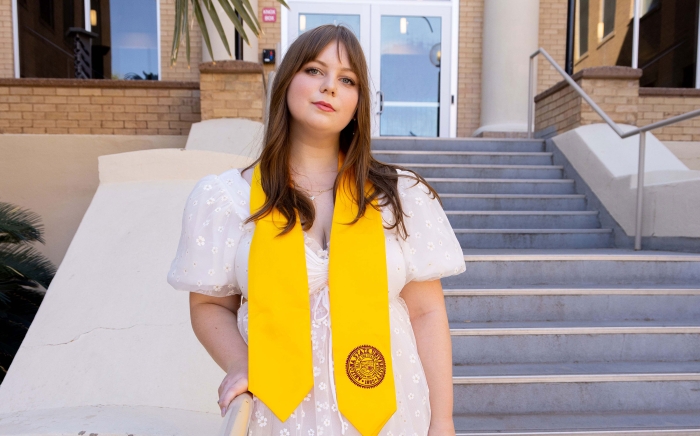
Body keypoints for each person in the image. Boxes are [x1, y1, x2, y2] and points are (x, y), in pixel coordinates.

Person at [166, 24, 466, 436]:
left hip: (393, 412)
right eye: (314, 70)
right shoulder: (227, 199)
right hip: (281, 414)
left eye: (347, 80)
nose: (329, 87)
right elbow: (209, 305)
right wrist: (241, 361)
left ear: (358, 101)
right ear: (287, 80)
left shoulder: (398, 198)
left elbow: (427, 312)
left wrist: (443, 421)